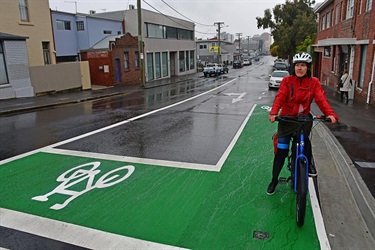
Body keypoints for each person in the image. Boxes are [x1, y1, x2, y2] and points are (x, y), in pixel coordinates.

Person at [267, 52, 339, 195]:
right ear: (294, 67)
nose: (300, 68)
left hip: (303, 120)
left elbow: (321, 100)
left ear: (308, 68)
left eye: (303, 65)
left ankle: (308, 164)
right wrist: (274, 112)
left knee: (305, 143)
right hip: (286, 120)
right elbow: (280, 96)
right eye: (298, 65)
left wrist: (330, 114)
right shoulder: (287, 81)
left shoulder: (314, 82)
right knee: (281, 152)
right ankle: (274, 180)